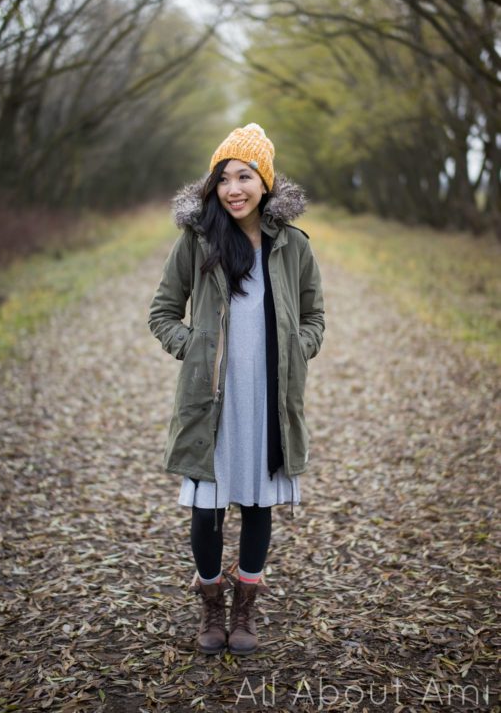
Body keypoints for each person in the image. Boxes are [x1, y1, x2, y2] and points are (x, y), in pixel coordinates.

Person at [148, 123, 325, 656]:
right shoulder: (197, 240)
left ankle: (245, 611)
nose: (233, 189)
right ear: (213, 187)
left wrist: (300, 346)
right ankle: (211, 607)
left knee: (257, 506)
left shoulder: (291, 245)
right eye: (223, 178)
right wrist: (194, 347)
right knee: (207, 506)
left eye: (244, 176)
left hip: (269, 397)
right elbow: (162, 312)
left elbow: (314, 313)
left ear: (264, 183)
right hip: (212, 400)